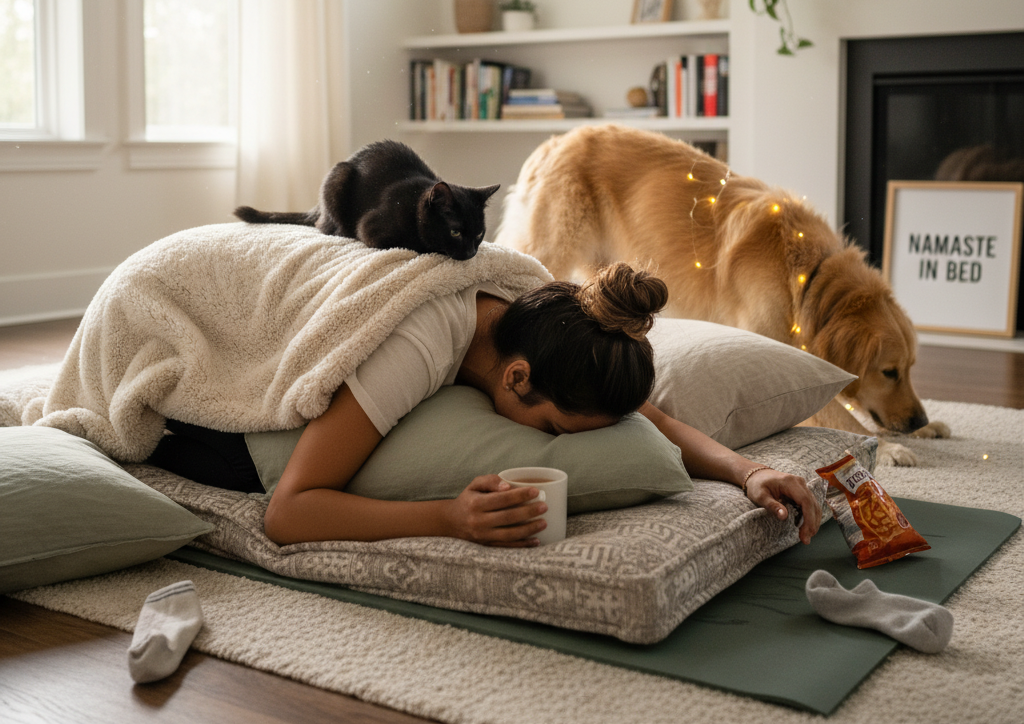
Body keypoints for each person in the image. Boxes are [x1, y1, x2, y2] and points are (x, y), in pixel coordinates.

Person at [150, 261, 820, 549]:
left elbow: (656, 419)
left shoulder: (550, 315)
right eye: (554, 429)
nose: (562, 440)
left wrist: (748, 472)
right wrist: (449, 518)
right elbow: (289, 514)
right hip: (178, 318)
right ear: (518, 379)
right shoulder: (416, 342)